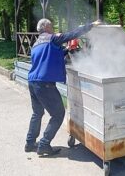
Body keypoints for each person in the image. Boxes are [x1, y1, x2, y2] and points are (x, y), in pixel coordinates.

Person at [25, 18, 100, 156]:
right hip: (45, 84)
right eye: (51, 26)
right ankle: (44, 144)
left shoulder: (36, 43)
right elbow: (70, 35)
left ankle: (30, 143)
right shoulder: (51, 38)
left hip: (32, 82)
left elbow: (51, 56)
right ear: (46, 27)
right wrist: (90, 25)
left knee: (37, 113)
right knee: (58, 114)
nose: (53, 28)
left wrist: (67, 50)